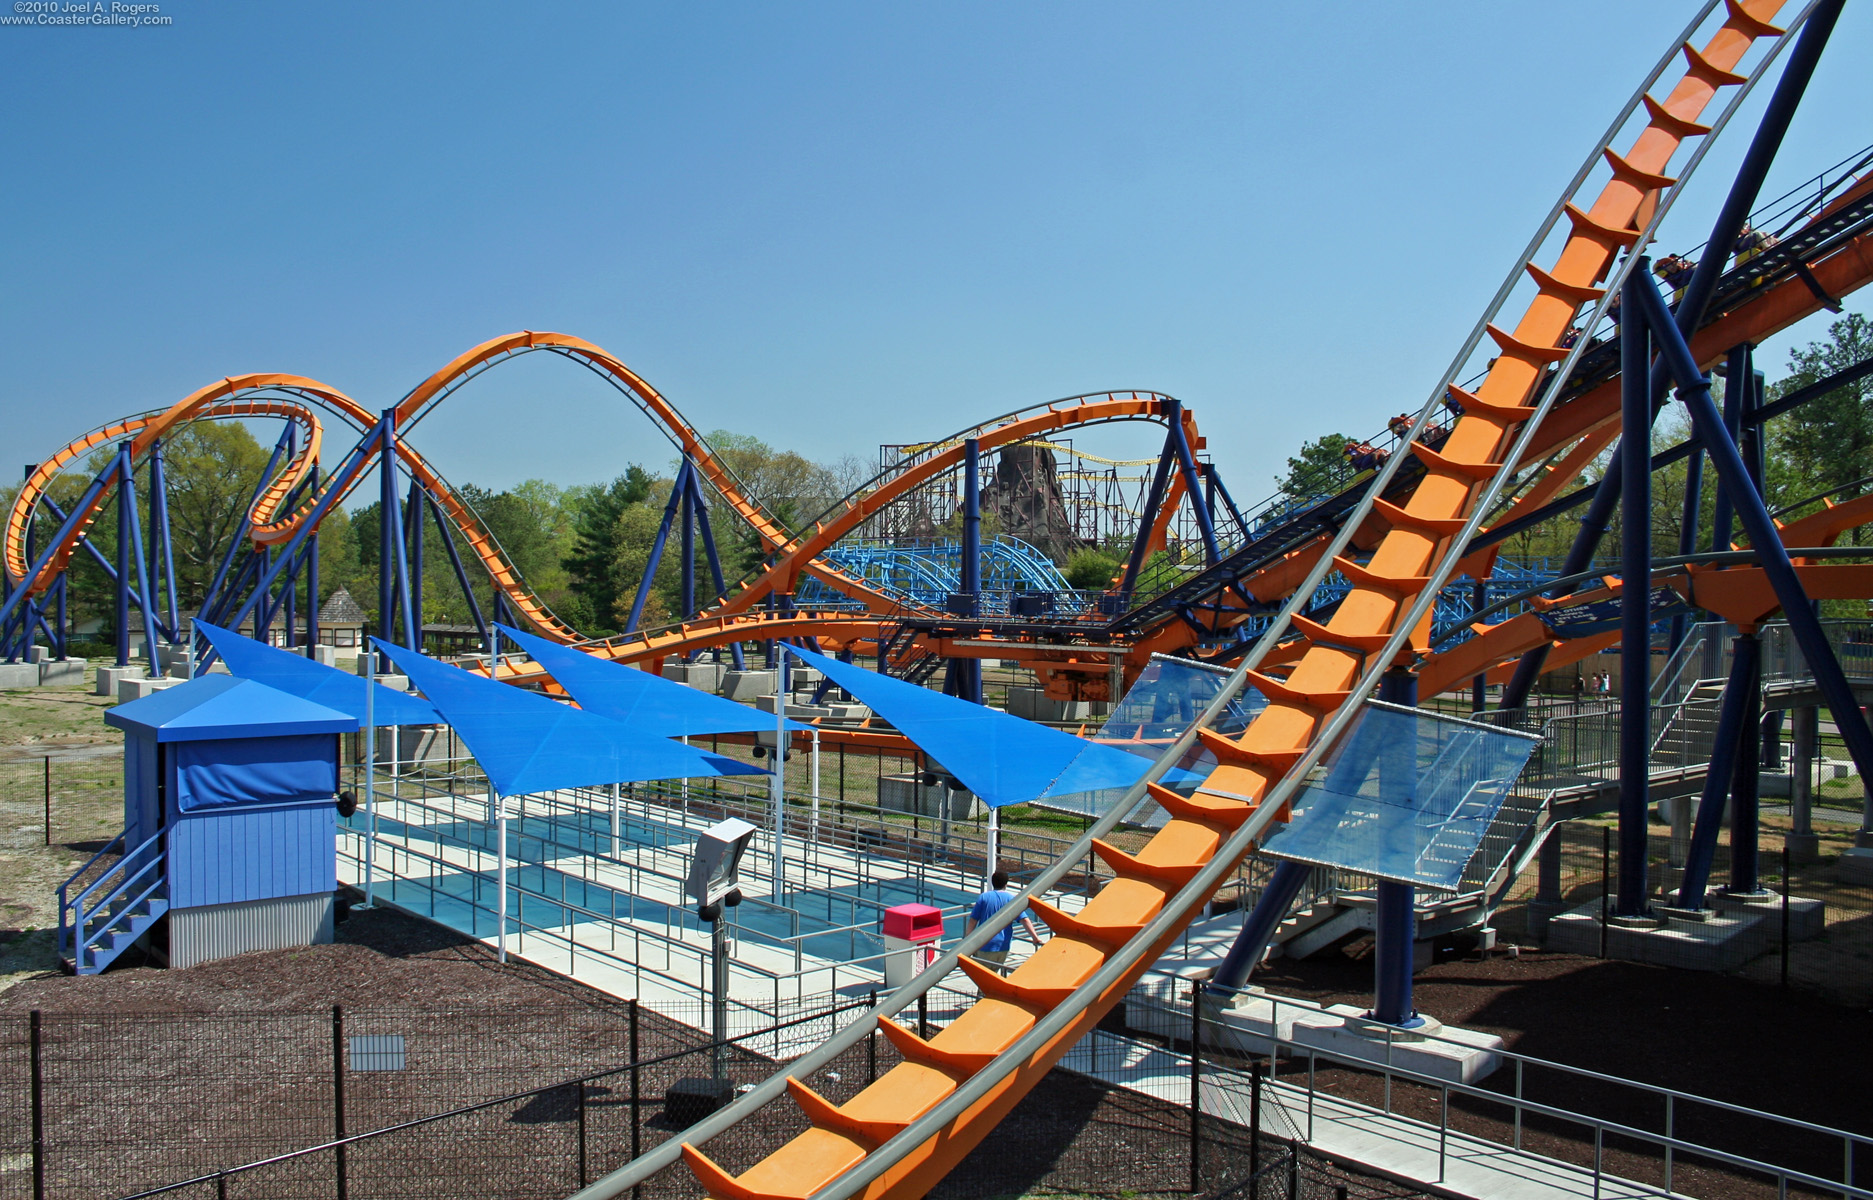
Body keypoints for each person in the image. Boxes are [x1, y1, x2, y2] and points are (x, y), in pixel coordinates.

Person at [966, 869, 1043, 974]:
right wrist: (1035, 937)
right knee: (994, 976)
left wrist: (967, 942)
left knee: (984, 978)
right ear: (1006, 884)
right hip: (1003, 946)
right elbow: (1024, 919)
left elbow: (973, 921)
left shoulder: (984, 897)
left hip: (984, 945)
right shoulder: (1011, 899)